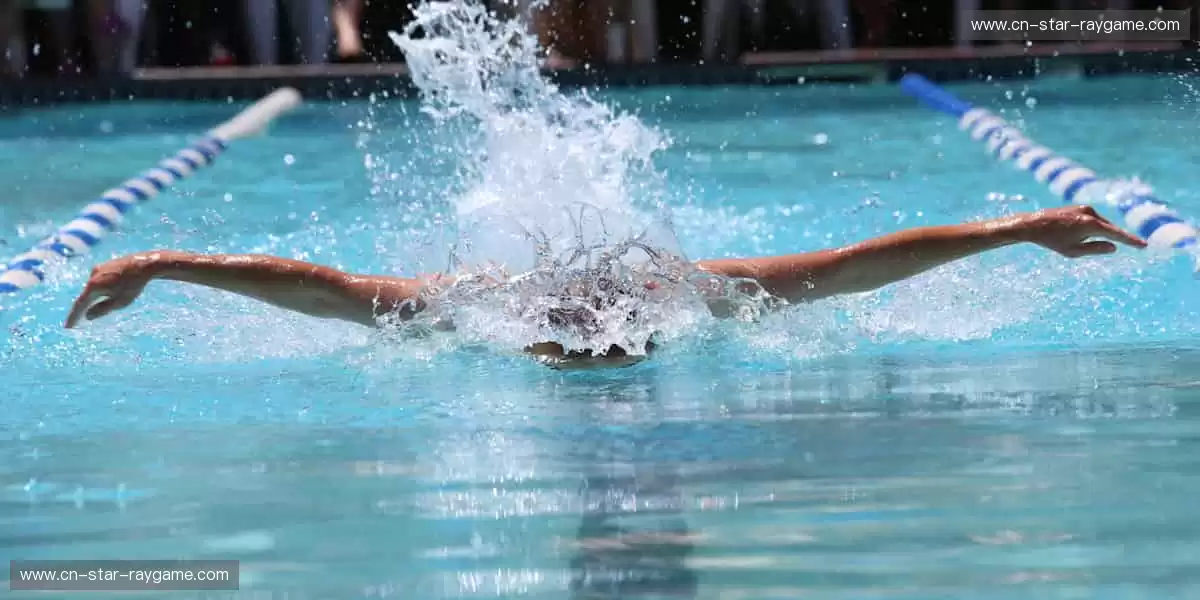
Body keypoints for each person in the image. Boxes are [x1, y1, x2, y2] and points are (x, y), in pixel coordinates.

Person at [65, 205, 1146, 370]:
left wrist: (1020, 229)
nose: (600, 351)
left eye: (612, 335)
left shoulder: (696, 297)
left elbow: (859, 267)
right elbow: (325, 287)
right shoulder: (473, 310)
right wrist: (155, 260)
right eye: (580, 337)